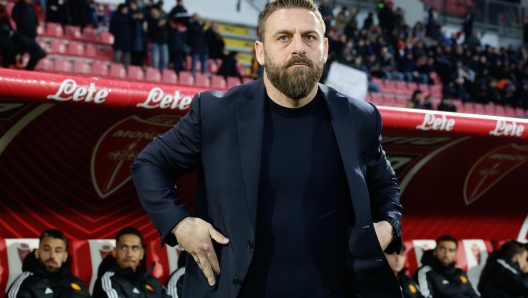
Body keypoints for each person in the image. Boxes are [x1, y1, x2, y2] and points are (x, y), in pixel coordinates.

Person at [131, 0, 402, 297]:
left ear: (324, 49)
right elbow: (149, 165)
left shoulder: (359, 117)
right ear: (260, 52)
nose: (298, 47)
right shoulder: (216, 112)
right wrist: (179, 223)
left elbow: (385, 184)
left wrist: (389, 226)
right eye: (283, 37)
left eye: (309, 37)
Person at [5, 229, 91, 298]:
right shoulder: (26, 282)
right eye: (46, 249)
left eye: (58, 251)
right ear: (37, 253)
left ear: (65, 257)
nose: (52, 255)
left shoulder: (76, 282)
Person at [92, 227, 169, 298]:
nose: (129, 254)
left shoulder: (152, 281)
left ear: (141, 254)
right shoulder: (108, 281)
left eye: (135, 248)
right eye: (123, 248)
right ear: (114, 252)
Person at [10, 0, 47, 70]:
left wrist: (34, 26)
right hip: (22, 35)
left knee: (40, 53)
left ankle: (29, 69)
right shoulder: (19, 6)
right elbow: (14, 16)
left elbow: (35, 20)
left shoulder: (31, 7)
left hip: (31, 36)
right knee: (21, 49)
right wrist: (25, 23)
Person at [109, 4, 133, 68]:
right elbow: (111, 29)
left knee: (127, 61)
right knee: (117, 58)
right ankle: (114, 72)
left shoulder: (129, 18)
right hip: (119, 41)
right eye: (125, 9)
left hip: (127, 42)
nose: (126, 10)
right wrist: (118, 35)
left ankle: (126, 75)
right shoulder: (115, 17)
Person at [147, 6, 169, 71]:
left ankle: (164, 75)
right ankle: (155, 74)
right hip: (155, 42)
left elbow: (169, 30)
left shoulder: (164, 19)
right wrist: (158, 25)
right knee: (155, 60)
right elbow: (150, 31)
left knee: (165, 60)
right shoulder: (151, 20)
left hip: (164, 42)